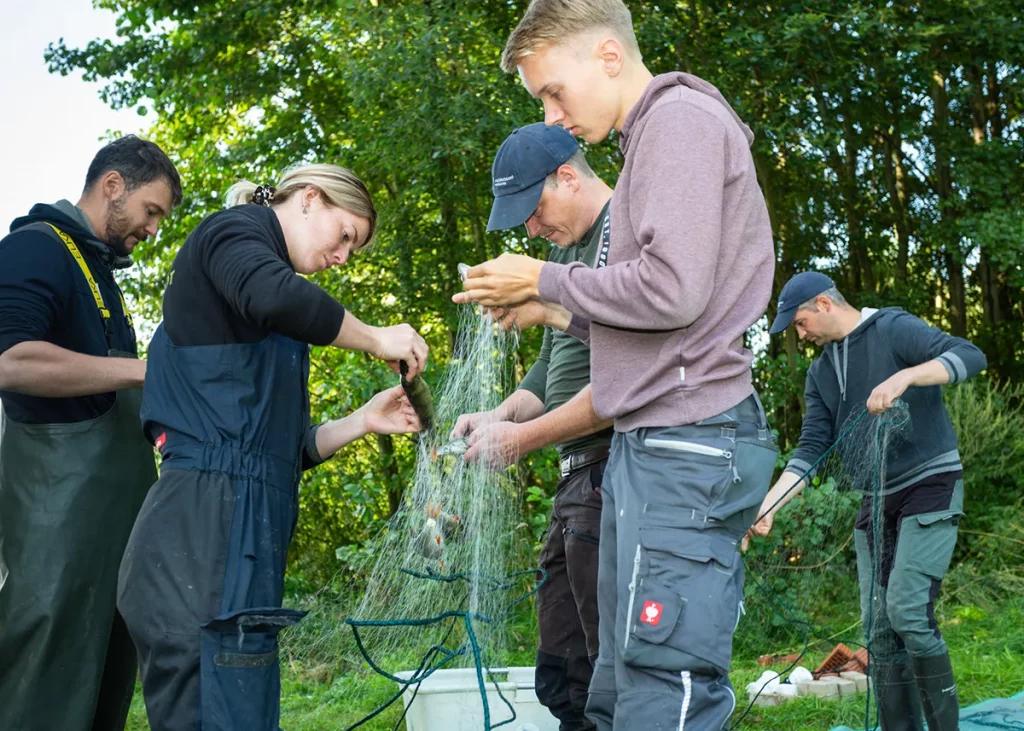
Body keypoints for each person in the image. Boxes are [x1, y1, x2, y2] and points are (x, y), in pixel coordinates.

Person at [454, 1, 778, 727]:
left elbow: (673, 290)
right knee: (614, 684)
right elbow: (653, 328)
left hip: (687, 438)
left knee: (664, 685)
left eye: (552, 92)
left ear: (607, 56)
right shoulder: (647, 144)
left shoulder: (679, 121)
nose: (552, 116)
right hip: (651, 442)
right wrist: (553, 310)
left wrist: (545, 281)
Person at [115, 163, 429, 731]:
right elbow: (276, 298)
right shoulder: (232, 234)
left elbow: (281, 453)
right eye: (345, 236)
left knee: (244, 710)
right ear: (310, 198)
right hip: (200, 532)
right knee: (212, 711)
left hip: (242, 532)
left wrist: (361, 421)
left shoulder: (269, 308)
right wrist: (375, 337)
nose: (343, 258)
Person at [744, 272, 987, 731]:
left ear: (824, 303)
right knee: (878, 630)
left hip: (930, 484)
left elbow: (971, 355)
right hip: (876, 500)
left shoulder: (893, 328)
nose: (800, 335)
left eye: (800, 323)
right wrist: (769, 506)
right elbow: (811, 449)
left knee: (908, 613)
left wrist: (906, 376)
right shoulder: (820, 373)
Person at [0, 135, 182, 731]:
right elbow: (10, 361)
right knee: (44, 679)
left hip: (115, 534)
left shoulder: (100, 272)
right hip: (54, 530)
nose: (153, 229)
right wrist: (147, 371)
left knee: (106, 677)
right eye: (151, 211)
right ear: (112, 185)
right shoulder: (34, 248)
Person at [453, 122, 614, 731]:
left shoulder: (625, 231)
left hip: (615, 470)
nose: (531, 230)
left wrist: (520, 440)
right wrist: (497, 416)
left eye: (534, 210)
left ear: (567, 177)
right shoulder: (561, 253)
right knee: (561, 671)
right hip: (576, 479)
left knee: (608, 671)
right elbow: (551, 369)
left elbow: (628, 379)